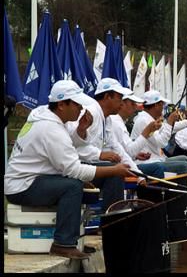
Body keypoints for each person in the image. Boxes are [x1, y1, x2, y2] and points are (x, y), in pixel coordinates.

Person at [5, 80, 135, 260]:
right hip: (23, 186)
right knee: (72, 186)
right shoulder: (50, 128)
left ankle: (112, 231)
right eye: (76, 104)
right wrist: (114, 170)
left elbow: (71, 143)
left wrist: (81, 129)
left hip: (42, 177)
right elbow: (75, 170)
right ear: (61, 104)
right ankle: (63, 243)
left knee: (109, 174)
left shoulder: (51, 116)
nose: (81, 108)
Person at [66, 78, 146, 212]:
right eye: (119, 98)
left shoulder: (107, 120)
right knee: (114, 172)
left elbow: (119, 151)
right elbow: (72, 145)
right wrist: (100, 154)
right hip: (75, 168)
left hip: (89, 167)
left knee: (116, 169)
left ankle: (113, 219)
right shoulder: (89, 113)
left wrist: (139, 174)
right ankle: (111, 223)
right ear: (107, 96)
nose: (122, 103)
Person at [130, 90, 187, 174]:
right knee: (185, 166)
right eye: (162, 104)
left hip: (155, 158)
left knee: (184, 158)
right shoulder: (144, 121)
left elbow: (167, 128)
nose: (163, 107)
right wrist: (170, 121)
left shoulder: (148, 118)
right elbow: (162, 143)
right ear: (156, 105)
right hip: (147, 162)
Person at [109, 93, 178, 178]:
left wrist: (136, 155)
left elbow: (124, 150)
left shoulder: (120, 121)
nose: (135, 107)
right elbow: (162, 143)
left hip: (144, 160)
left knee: (182, 161)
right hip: (146, 161)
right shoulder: (142, 120)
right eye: (132, 104)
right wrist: (148, 131)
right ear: (122, 104)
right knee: (178, 166)